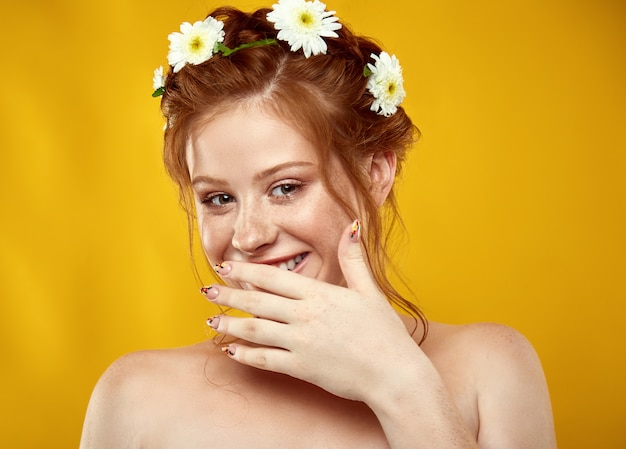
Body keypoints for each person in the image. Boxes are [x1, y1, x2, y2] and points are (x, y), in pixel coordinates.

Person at [80, 1, 556, 448]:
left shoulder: (492, 368)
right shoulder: (135, 397)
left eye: (285, 187)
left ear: (375, 174)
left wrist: (402, 385)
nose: (248, 236)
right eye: (219, 198)